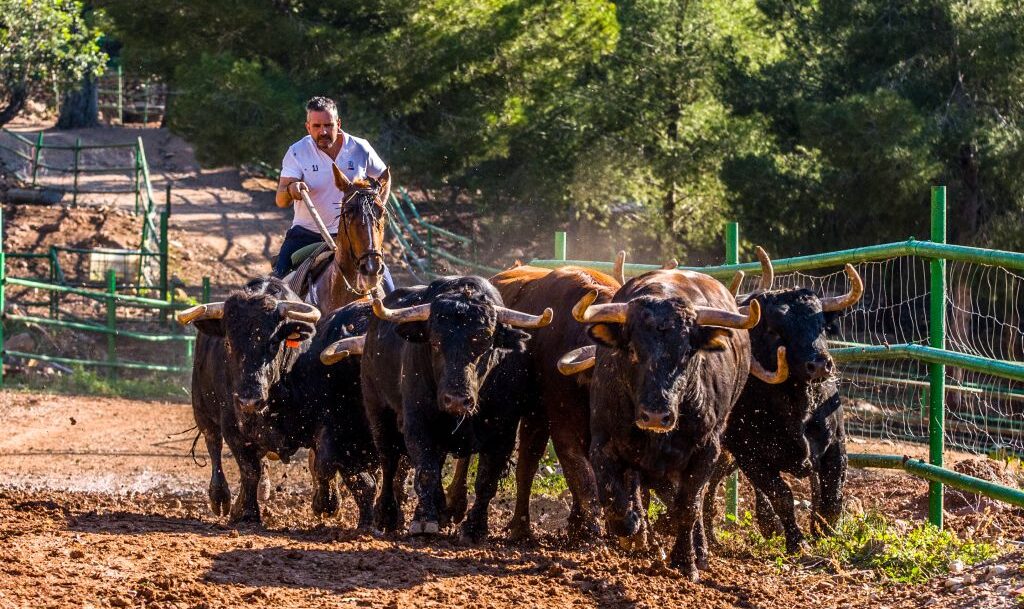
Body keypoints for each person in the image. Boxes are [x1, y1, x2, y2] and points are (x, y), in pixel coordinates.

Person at [273, 96, 394, 292]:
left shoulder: (360, 148)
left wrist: (377, 208)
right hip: (307, 233)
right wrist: (291, 190)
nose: (323, 131)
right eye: (317, 126)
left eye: (328, 125)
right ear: (308, 127)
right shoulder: (297, 152)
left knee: (388, 288)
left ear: (338, 123)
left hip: (352, 235)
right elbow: (280, 199)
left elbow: (384, 177)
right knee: (275, 287)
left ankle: (392, 318)